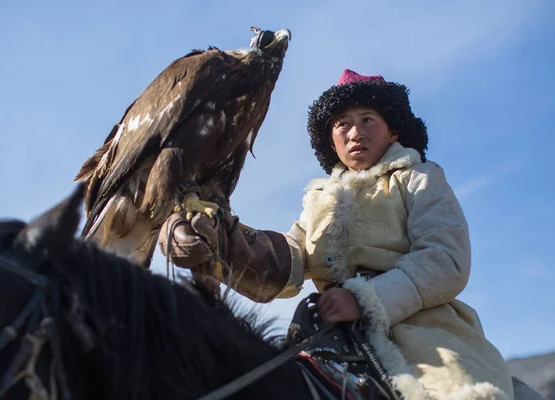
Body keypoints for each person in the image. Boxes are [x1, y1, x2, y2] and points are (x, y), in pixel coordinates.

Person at [159, 70, 540, 399]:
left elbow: (446, 259)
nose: (354, 131)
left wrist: (364, 300)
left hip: (425, 330)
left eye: (367, 119)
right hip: (330, 332)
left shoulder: (419, 177)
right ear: (332, 141)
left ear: (392, 131)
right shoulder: (320, 199)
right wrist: (219, 242)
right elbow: (289, 260)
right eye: (342, 123)